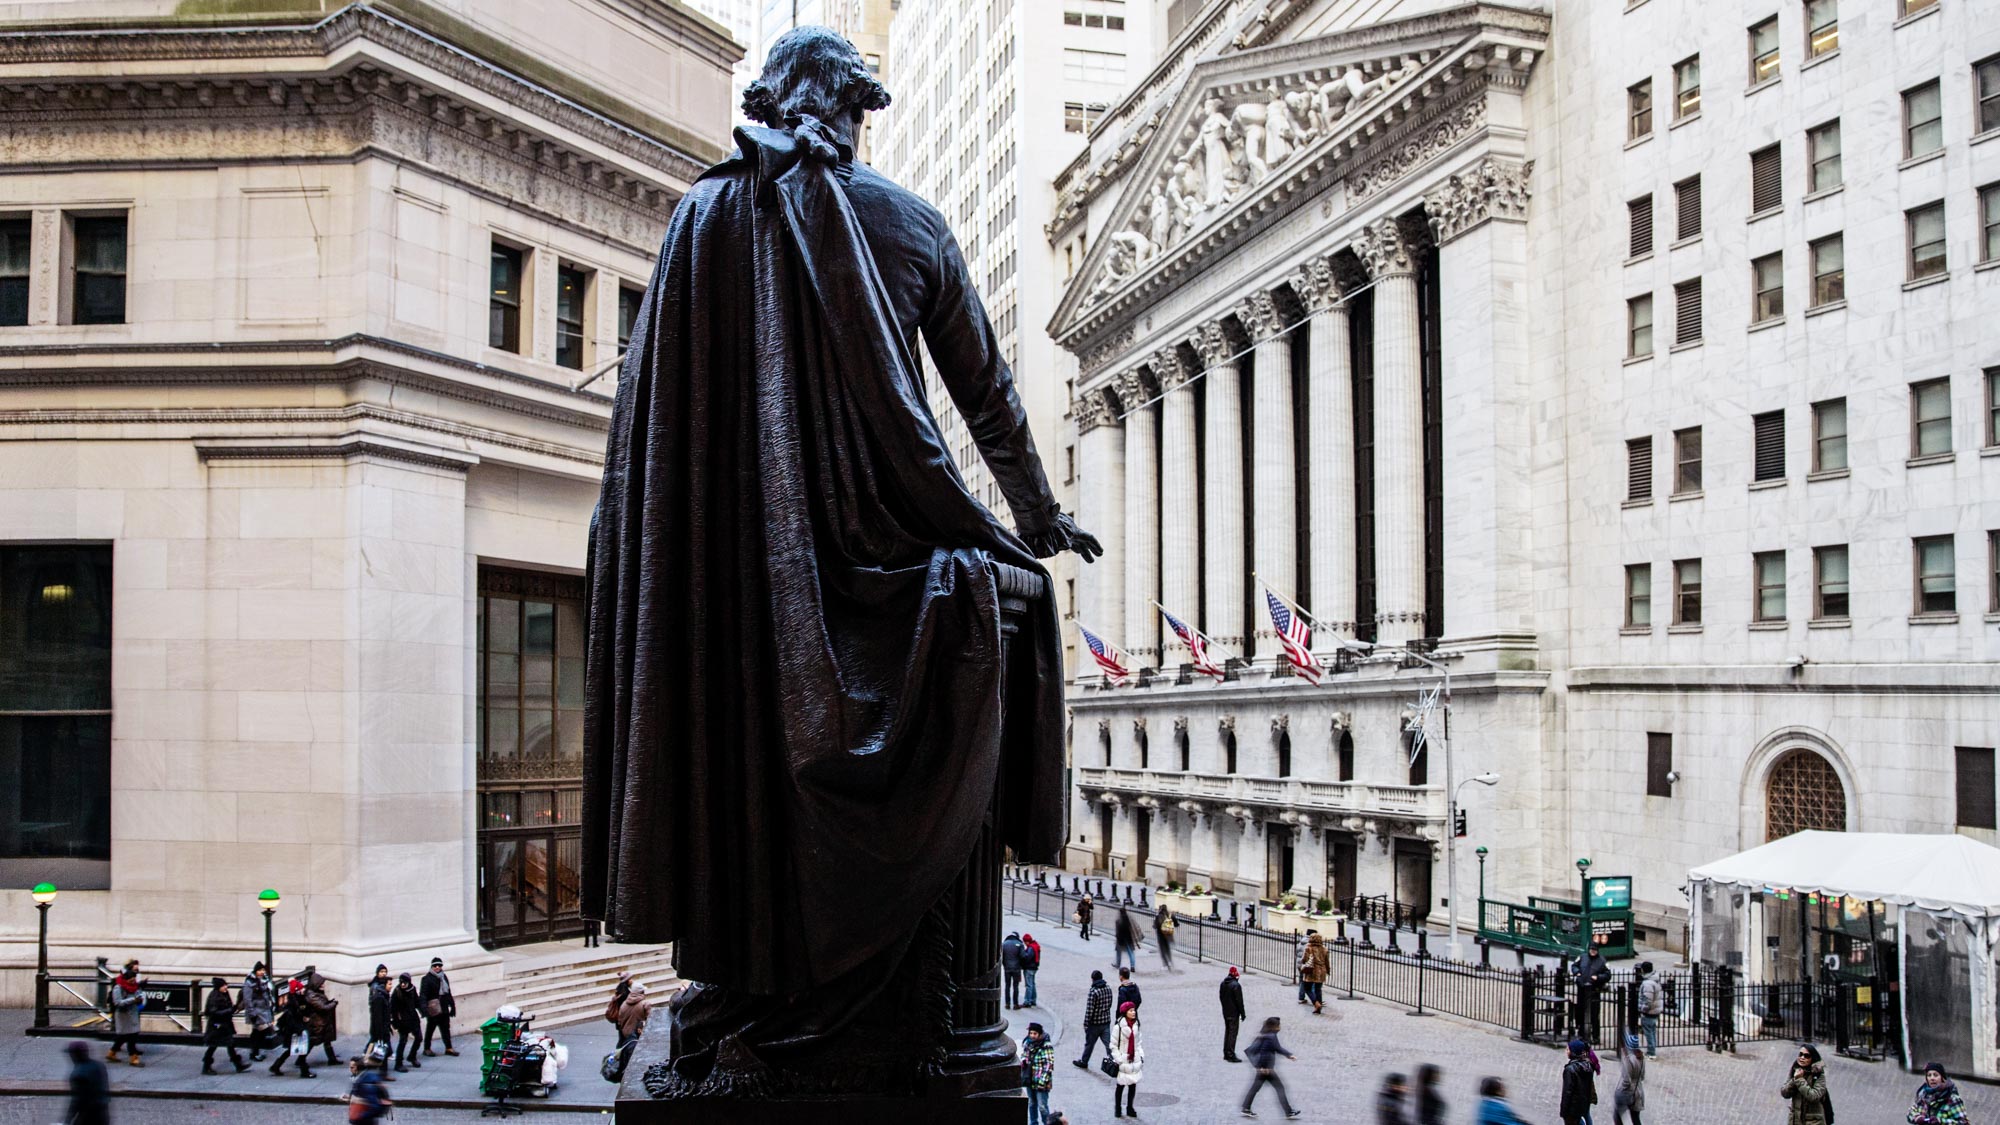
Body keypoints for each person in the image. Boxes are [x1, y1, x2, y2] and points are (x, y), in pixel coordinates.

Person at [1239, 1015, 1301, 1119]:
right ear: (1274, 1026)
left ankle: (1246, 1107)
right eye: (1279, 1025)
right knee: (1279, 1088)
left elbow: (1277, 1048)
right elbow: (1265, 1052)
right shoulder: (1271, 1037)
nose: (1280, 1027)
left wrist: (1289, 1055)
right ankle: (1288, 1111)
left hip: (1264, 1069)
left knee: (1255, 1088)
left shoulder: (1268, 1035)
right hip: (1266, 1069)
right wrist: (1263, 1067)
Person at [200, 977, 250, 1074]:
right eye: (223, 986)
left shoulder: (224, 994)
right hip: (217, 1026)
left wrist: (234, 1008)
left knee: (230, 1044)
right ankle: (206, 1067)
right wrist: (230, 1010)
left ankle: (238, 1065)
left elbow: (229, 1007)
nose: (226, 987)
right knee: (213, 1046)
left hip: (224, 1024)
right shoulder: (214, 997)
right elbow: (213, 1012)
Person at [267, 978, 315, 1078]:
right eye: (301, 988)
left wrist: (306, 1017)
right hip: (296, 1030)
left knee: (292, 1050)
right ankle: (304, 1071)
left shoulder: (299, 1000)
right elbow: (292, 1019)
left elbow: (305, 1011)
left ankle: (276, 1066)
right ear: (297, 990)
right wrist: (300, 1028)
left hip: (298, 1029)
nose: (303, 990)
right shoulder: (292, 1005)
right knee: (302, 1050)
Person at [1071, 970, 1113, 1070]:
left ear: (1092, 979)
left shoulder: (1093, 991)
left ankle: (1084, 1061)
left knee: (1089, 1044)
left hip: (1095, 1023)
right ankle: (1114, 1061)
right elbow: (1110, 1003)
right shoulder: (1108, 988)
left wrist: (1086, 1023)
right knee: (1109, 1044)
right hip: (1106, 1021)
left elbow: (1089, 1010)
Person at [106, 958, 144, 1067]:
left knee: (124, 1036)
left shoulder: (134, 986)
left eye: (134, 979)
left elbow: (138, 994)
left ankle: (112, 1053)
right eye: (131, 980)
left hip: (132, 1014)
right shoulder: (118, 988)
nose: (133, 981)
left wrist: (139, 998)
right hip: (123, 1015)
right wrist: (133, 1000)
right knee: (130, 1036)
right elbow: (118, 1002)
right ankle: (133, 1058)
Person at [1781, 1044, 1831, 1125]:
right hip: (1795, 1120)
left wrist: (1800, 1080)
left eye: (1806, 1056)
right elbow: (1784, 1093)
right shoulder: (1795, 1069)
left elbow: (1814, 1096)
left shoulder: (1818, 1074)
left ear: (1812, 1058)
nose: (1802, 1057)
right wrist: (1794, 1080)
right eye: (1800, 1054)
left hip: (1813, 1121)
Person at [1572, 941, 1611, 1042]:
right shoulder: (1582, 957)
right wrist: (1577, 973)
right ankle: (1581, 1033)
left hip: (1594, 990)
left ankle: (1595, 1036)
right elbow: (1574, 966)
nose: (1593, 951)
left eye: (1594, 950)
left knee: (1594, 1013)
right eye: (1591, 949)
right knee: (1580, 1011)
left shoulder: (1602, 961)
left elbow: (1608, 975)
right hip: (1582, 988)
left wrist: (1598, 977)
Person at [1112, 1001, 1144, 1118]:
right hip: (1123, 1060)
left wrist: (1140, 1056)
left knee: (1132, 1085)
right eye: (1131, 1010)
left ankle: (1130, 1107)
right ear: (1125, 1013)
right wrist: (1119, 1059)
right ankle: (1118, 1108)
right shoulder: (1118, 1028)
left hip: (1134, 1060)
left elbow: (1139, 1043)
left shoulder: (1136, 1025)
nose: (1133, 1012)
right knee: (1120, 1086)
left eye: (1134, 1010)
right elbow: (1113, 1045)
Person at [65, 1041, 110, 1125]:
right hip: (103, 1112)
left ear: (74, 1055)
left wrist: (67, 1120)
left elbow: (77, 1100)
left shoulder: (78, 1074)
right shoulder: (99, 1065)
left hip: (87, 1116)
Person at [420, 957, 457, 1057]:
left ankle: (448, 1048)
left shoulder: (443, 977)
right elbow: (423, 995)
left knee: (446, 1028)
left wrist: (452, 1006)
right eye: (435, 965)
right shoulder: (426, 979)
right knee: (430, 1029)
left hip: (444, 1007)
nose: (437, 967)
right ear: (431, 966)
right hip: (433, 1009)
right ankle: (427, 1048)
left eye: (439, 965)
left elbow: (448, 992)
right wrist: (424, 1009)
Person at [1020, 1021, 1055, 1125]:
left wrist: (1042, 1081)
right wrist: (1024, 1060)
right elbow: (1024, 1055)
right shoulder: (1028, 1043)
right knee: (1031, 1103)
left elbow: (1049, 1065)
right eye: (1031, 1033)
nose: (1032, 1036)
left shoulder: (1046, 1045)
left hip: (1041, 1081)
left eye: (1034, 1033)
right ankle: (1034, 1123)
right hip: (1029, 1079)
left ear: (1039, 1034)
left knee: (1042, 1106)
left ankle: (1047, 1123)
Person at [302, 972, 341, 1066]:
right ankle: (301, 1059)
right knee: (313, 1041)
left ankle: (332, 1059)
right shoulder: (312, 995)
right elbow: (322, 1007)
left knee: (327, 1041)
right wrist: (333, 1003)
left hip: (323, 1021)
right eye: (321, 983)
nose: (323, 985)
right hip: (318, 1023)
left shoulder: (317, 993)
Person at [240, 961, 276, 1062]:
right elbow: (247, 999)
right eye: (259, 970)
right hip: (256, 1011)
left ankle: (254, 1051)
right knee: (261, 1031)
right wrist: (252, 1013)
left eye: (263, 970)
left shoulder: (265, 980)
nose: (261, 972)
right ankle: (254, 1052)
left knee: (259, 1031)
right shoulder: (249, 982)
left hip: (264, 1010)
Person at [366, 964, 396, 1082]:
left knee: (381, 1050)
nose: (391, 986)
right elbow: (378, 1017)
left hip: (382, 1028)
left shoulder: (383, 995)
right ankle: (380, 1072)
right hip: (380, 1029)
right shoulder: (379, 997)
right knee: (381, 1050)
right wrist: (381, 1032)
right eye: (389, 984)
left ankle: (379, 1071)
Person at [1560, 1038, 1598, 1125]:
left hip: (1572, 1109)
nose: (1566, 1051)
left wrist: (1563, 1110)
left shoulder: (1570, 1070)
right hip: (1582, 1105)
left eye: (1568, 1049)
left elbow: (1567, 1092)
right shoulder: (1588, 1066)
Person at [391, 972, 424, 1072]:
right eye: (401, 982)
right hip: (403, 1021)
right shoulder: (397, 992)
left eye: (404, 982)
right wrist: (395, 1022)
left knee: (419, 1038)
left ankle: (412, 1056)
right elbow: (393, 1009)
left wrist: (422, 1011)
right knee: (403, 1041)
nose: (402, 984)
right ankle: (398, 1063)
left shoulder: (412, 989)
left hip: (413, 1018)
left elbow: (417, 1001)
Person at [349, 1052, 393, 1124]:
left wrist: (359, 1116)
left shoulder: (367, 1081)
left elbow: (374, 1105)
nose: (350, 1069)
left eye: (352, 1067)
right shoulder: (362, 1079)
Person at [1613, 1033, 1645, 1125]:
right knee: (1635, 1118)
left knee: (1618, 1117)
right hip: (1638, 1091)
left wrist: (1619, 1091)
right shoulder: (1641, 1058)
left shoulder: (1628, 1060)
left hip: (1628, 1092)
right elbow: (1642, 1076)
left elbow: (1626, 1080)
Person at [1219, 965, 1248, 1063]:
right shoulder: (1236, 986)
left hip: (1226, 1012)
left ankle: (1226, 1053)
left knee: (1227, 1032)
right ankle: (1231, 1054)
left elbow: (1221, 998)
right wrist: (1242, 1014)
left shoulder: (1223, 984)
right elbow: (1239, 1001)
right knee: (1233, 1033)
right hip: (1233, 1013)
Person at [1634, 962, 1663, 1058]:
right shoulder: (1655, 979)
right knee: (1652, 1030)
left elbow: (1648, 999)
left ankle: (1651, 1052)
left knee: (1648, 1032)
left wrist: (1642, 1010)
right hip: (1655, 1010)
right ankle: (1652, 1049)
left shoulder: (1647, 983)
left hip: (1649, 1011)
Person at [1299, 931, 1330, 1015]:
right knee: (1318, 989)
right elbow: (1327, 962)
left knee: (1307, 988)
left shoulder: (1308, 948)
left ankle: (1316, 1003)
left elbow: (1304, 959)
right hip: (1321, 971)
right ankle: (1318, 1007)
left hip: (1311, 970)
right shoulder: (1324, 949)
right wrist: (1328, 970)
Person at [616, 981, 650, 1048]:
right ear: (642, 992)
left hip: (626, 1035)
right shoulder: (645, 1004)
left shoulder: (624, 1004)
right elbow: (651, 1020)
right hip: (640, 1035)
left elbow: (620, 1021)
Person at [1002, 931, 1027, 1009]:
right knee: (1015, 986)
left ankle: (1007, 1003)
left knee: (1007, 985)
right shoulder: (1020, 944)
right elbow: (1023, 956)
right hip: (1016, 968)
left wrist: (1004, 964)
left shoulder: (1004, 944)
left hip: (1007, 968)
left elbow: (1001, 956)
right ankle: (1015, 1004)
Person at [1114, 906, 1141, 973]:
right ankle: (1132, 966)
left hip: (1121, 939)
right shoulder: (1129, 919)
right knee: (1131, 953)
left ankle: (1118, 964)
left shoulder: (1118, 921)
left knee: (1118, 952)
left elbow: (1118, 931)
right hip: (1129, 938)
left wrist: (1117, 937)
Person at [1153, 905, 1177, 971]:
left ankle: (1165, 965)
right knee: (1168, 949)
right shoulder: (1170, 915)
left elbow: (1154, 926)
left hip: (1161, 936)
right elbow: (1176, 923)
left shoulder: (1158, 916)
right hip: (1168, 935)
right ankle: (1170, 962)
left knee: (1162, 951)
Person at [1022, 933, 1043, 1007]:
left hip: (1029, 968)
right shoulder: (1035, 945)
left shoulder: (1031, 948)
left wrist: (1023, 955)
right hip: (1034, 968)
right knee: (1032, 984)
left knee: (1029, 985)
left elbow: (1027, 958)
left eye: (1024, 942)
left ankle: (1027, 1001)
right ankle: (1033, 999)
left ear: (1027, 941)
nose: (1024, 943)